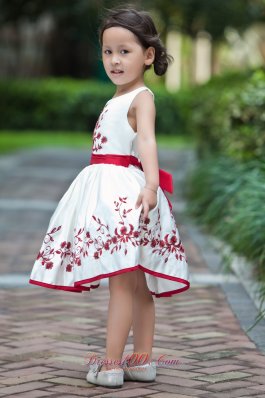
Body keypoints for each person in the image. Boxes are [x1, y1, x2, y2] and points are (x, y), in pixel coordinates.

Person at [29, 5, 190, 389]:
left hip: (126, 195)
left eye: (125, 51)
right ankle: (141, 362)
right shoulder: (118, 98)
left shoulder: (142, 98)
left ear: (148, 56)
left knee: (126, 281)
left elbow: (148, 141)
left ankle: (111, 365)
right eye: (108, 51)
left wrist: (151, 186)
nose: (115, 60)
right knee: (134, 282)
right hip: (110, 190)